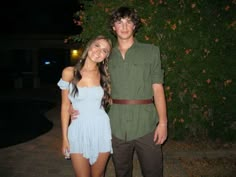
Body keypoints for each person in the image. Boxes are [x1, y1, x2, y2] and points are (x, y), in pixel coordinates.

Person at [71, 6, 168, 177]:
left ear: (135, 26)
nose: (124, 27)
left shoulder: (151, 51)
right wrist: (76, 106)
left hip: (146, 123)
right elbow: (88, 81)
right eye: (119, 22)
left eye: (128, 22)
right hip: (115, 125)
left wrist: (163, 123)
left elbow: (158, 88)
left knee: (154, 172)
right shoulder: (105, 56)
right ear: (113, 27)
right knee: (121, 172)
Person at [57, 35, 113, 177]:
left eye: (105, 50)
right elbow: (65, 106)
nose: (99, 51)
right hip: (78, 130)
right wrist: (64, 138)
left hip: (101, 129)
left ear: (106, 56)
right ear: (89, 46)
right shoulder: (69, 72)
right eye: (97, 45)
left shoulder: (106, 75)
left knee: (98, 175)